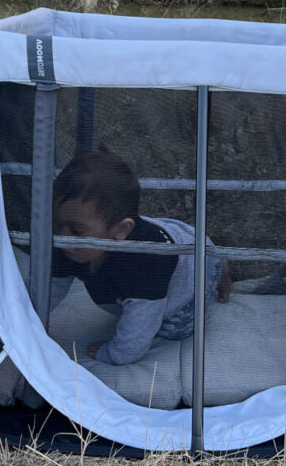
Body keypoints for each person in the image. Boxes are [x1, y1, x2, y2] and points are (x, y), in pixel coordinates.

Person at [50, 148, 229, 365]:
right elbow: (46, 291)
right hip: (169, 235)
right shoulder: (66, 240)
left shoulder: (146, 264)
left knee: (173, 329)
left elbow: (137, 334)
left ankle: (217, 265)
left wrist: (115, 353)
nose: (62, 238)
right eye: (56, 224)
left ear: (121, 230)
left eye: (76, 232)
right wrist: (21, 319)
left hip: (194, 269)